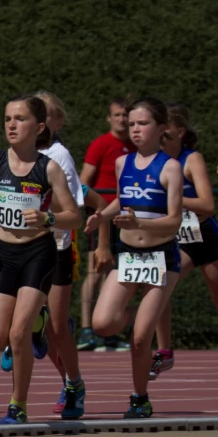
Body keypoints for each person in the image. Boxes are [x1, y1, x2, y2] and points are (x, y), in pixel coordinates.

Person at [0, 94, 81, 424]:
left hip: (38, 255)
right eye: (8, 118)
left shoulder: (48, 168)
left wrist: (49, 219)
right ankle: (39, 323)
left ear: (38, 127)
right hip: (5, 256)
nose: (11, 124)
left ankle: (17, 406)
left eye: (20, 119)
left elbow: (74, 215)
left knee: (17, 333)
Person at [85, 97, 182, 418]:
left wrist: (139, 222)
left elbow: (174, 220)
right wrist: (101, 216)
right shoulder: (122, 164)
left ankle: (140, 397)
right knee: (102, 323)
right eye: (132, 124)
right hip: (129, 256)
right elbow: (121, 201)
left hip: (160, 258)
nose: (136, 129)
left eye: (143, 124)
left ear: (161, 129)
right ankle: (148, 310)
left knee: (141, 339)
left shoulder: (170, 167)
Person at [151, 105, 217, 379]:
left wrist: (174, 198)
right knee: (161, 283)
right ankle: (165, 351)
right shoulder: (155, 163)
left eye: (165, 133)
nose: (161, 138)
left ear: (179, 132)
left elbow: (207, 205)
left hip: (206, 236)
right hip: (178, 238)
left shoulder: (192, 160)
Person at [79, 98, 135, 351]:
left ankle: (109, 331)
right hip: (103, 215)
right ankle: (86, 330)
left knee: (117, 274)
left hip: (127, 218)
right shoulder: (101, 144)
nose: (122, 119)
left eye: (125, 115)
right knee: (95, 271)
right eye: (117, 115)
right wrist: (95, 210)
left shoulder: (135, 146)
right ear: (109, 118)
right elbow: (84, 180)